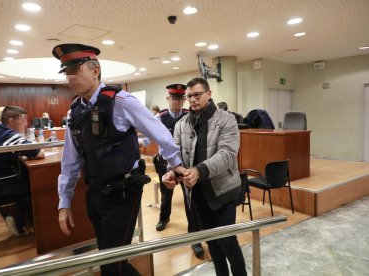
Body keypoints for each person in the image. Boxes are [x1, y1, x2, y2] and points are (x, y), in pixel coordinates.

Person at [52, 43, 186, 276]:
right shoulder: (74, 112)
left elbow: (160, 133)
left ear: (95, 70)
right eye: (67, 72)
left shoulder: (121, 101)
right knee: (109, 260)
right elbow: (70, 160)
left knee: (112, 265)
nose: (71, 78)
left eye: (76, 70)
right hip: (94, 194)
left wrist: (176, 166)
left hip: (123, 193)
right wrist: (64, 201)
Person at [163, 78, 247, 276]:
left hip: (223, 190)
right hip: (197, 193)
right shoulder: (181, 124)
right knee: (211, 241)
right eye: (189, 96)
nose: (192, 99)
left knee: (227, 240)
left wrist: (200, 170)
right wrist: (171, 171)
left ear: (209, 94)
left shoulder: (226, 119)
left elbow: (227, 155)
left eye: (197, 95)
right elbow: (176, 155)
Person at [0, 106, 45, 236]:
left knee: (25, 174)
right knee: (37, 183)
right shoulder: (7, 135)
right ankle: (24, 222)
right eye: (23, 120)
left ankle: (13, 214)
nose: (26, 123)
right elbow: (39, 153)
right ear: (11, 121)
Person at [153, 84, 204, 257]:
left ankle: (195, 238)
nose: (177, 102)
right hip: (166, 163)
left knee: (190, 199)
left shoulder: (189, 116)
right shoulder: (161, 117)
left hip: (185, 164)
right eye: (173, 98)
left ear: (183, 100)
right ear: (168, 99)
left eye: (180, 98)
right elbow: (158, 141)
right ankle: (163, 218)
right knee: (166, 194)